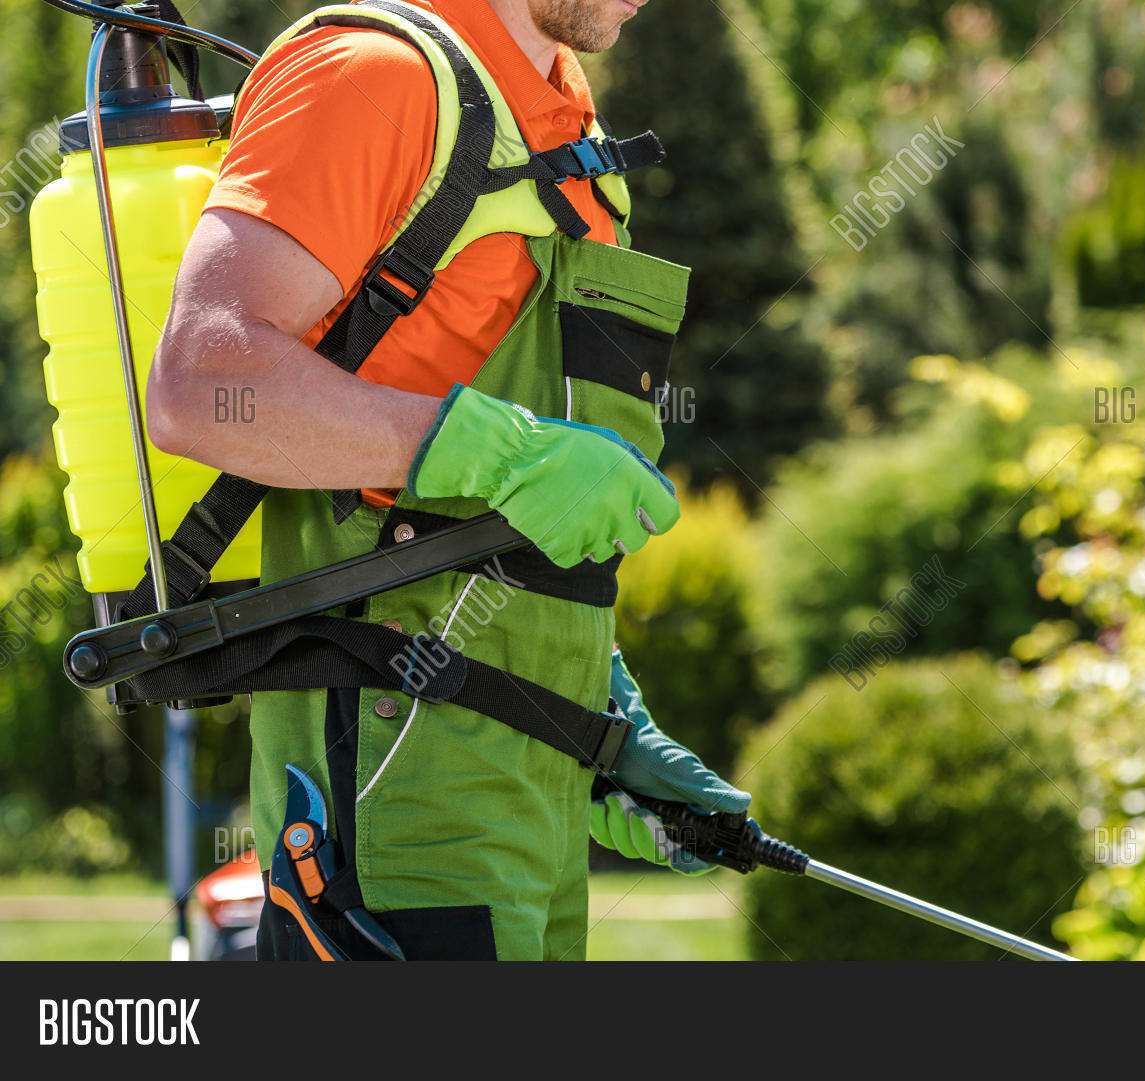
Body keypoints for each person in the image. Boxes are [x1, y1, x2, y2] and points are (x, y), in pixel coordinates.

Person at [146, 0, 749, 960]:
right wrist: (499, 451)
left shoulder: (570, 126)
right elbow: (202, 383)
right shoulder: (371, 78)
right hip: (392, 790)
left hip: (523, 787)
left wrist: (598, 718)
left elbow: (512, 523)